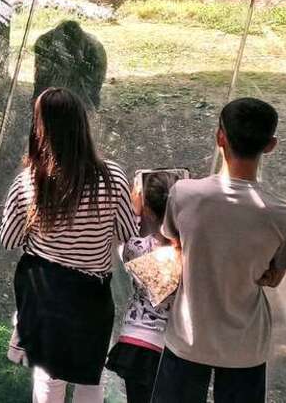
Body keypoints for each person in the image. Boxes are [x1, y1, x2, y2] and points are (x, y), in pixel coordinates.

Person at [151, 98, 286, 403]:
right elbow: (273, 278)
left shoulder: (184, 194)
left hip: (188, 338)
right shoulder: (282, 214)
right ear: (271, 145)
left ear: (219, 136)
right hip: (246, 346)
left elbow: (173, 243)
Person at [0, 87, 138, 403]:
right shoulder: (112, 177)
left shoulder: (29, 181)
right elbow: (127, 232)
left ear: (40, 129)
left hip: (44, 293)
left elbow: (10, 240)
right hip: (91, 296)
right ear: (81, 125)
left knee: (49, 378)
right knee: (91, 378)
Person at [105, 172, 177, 403]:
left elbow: (125, 232)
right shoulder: (185, 253)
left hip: (136, 340)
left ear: (145, 208)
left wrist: (134, 209)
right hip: (170, 346)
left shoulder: (135, 248)